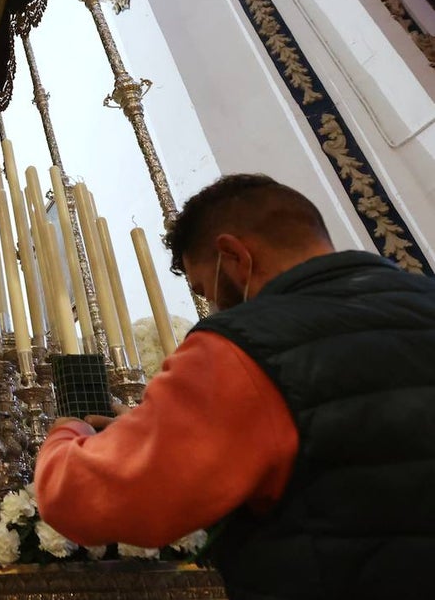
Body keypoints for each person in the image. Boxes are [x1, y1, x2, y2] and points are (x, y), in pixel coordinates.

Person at [34, 174, 435, 599]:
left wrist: (67, 433)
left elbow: (87, 496)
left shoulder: (246, 346)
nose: (213, 306)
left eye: (205, 290)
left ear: (234, 255)